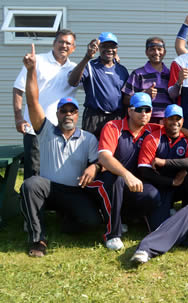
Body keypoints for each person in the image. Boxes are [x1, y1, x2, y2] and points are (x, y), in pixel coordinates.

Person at [20, 44, 101, 257]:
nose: (67, 114)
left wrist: (94, 168)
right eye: (63, 111)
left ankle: (66, 222)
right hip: (47, 188)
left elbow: (98, 161)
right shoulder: (46, 130)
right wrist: (31, 71)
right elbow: (32, 100)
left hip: (73, 191)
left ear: (77, 115)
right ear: (57, 113)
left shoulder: (88, 138)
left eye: (72, 111)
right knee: (30, 184)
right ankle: (38, 240)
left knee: (92, 222)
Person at [86, 93, 164, 251]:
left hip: (131, 185)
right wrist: (126, 174)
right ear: (129, 111)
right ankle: (112, 234)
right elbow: (104, 157)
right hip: (106, 180)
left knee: (152, 194)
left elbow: (175, 128)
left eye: (147, 110)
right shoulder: (113, 127)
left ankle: (127, 217)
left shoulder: (152, 129)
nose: (144, 114)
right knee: (117, 180)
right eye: (139, 109)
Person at [13, 29, 78, 179]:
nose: (64, 45)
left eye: (68, 43)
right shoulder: (37, 61)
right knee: (34, 176)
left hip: (61, 131)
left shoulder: (75, 69)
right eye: (60, 41)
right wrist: (18, 117)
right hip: (35, 130)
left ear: (73, 48)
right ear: (54, 43)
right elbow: (18, 88)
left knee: (58, 174)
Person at [137, 104, 188, 226]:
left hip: (180, 185)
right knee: (159, 227)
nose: (175, 122)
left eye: (178, 119)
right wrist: (171, 182)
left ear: (182, 121)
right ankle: (145, 214)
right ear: (164, 121)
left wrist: (164, 163)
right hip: (160, 185)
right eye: (171, 119)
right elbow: (144, 171)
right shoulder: (153, 138)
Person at [68, 32, 129, 138]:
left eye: (112, 46)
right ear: (99, 47)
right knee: (91, 152)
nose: (109, 49)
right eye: (105, 46)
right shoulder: (90, 66)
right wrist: (87, 57)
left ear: (117, 49)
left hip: (116, 118)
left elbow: (125, 97)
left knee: (114, 152)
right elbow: (73, 82)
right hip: (94, 118)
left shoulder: (122, 70)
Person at [122, 37, 172, 124]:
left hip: (167, 120)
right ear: (146, 52)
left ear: (164, 52)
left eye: (159, 49)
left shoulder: (170, 74)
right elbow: (125, 99)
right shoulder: (138, 74)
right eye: (152, 49)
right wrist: (144, 95)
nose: (156, 53)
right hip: (144, 120)